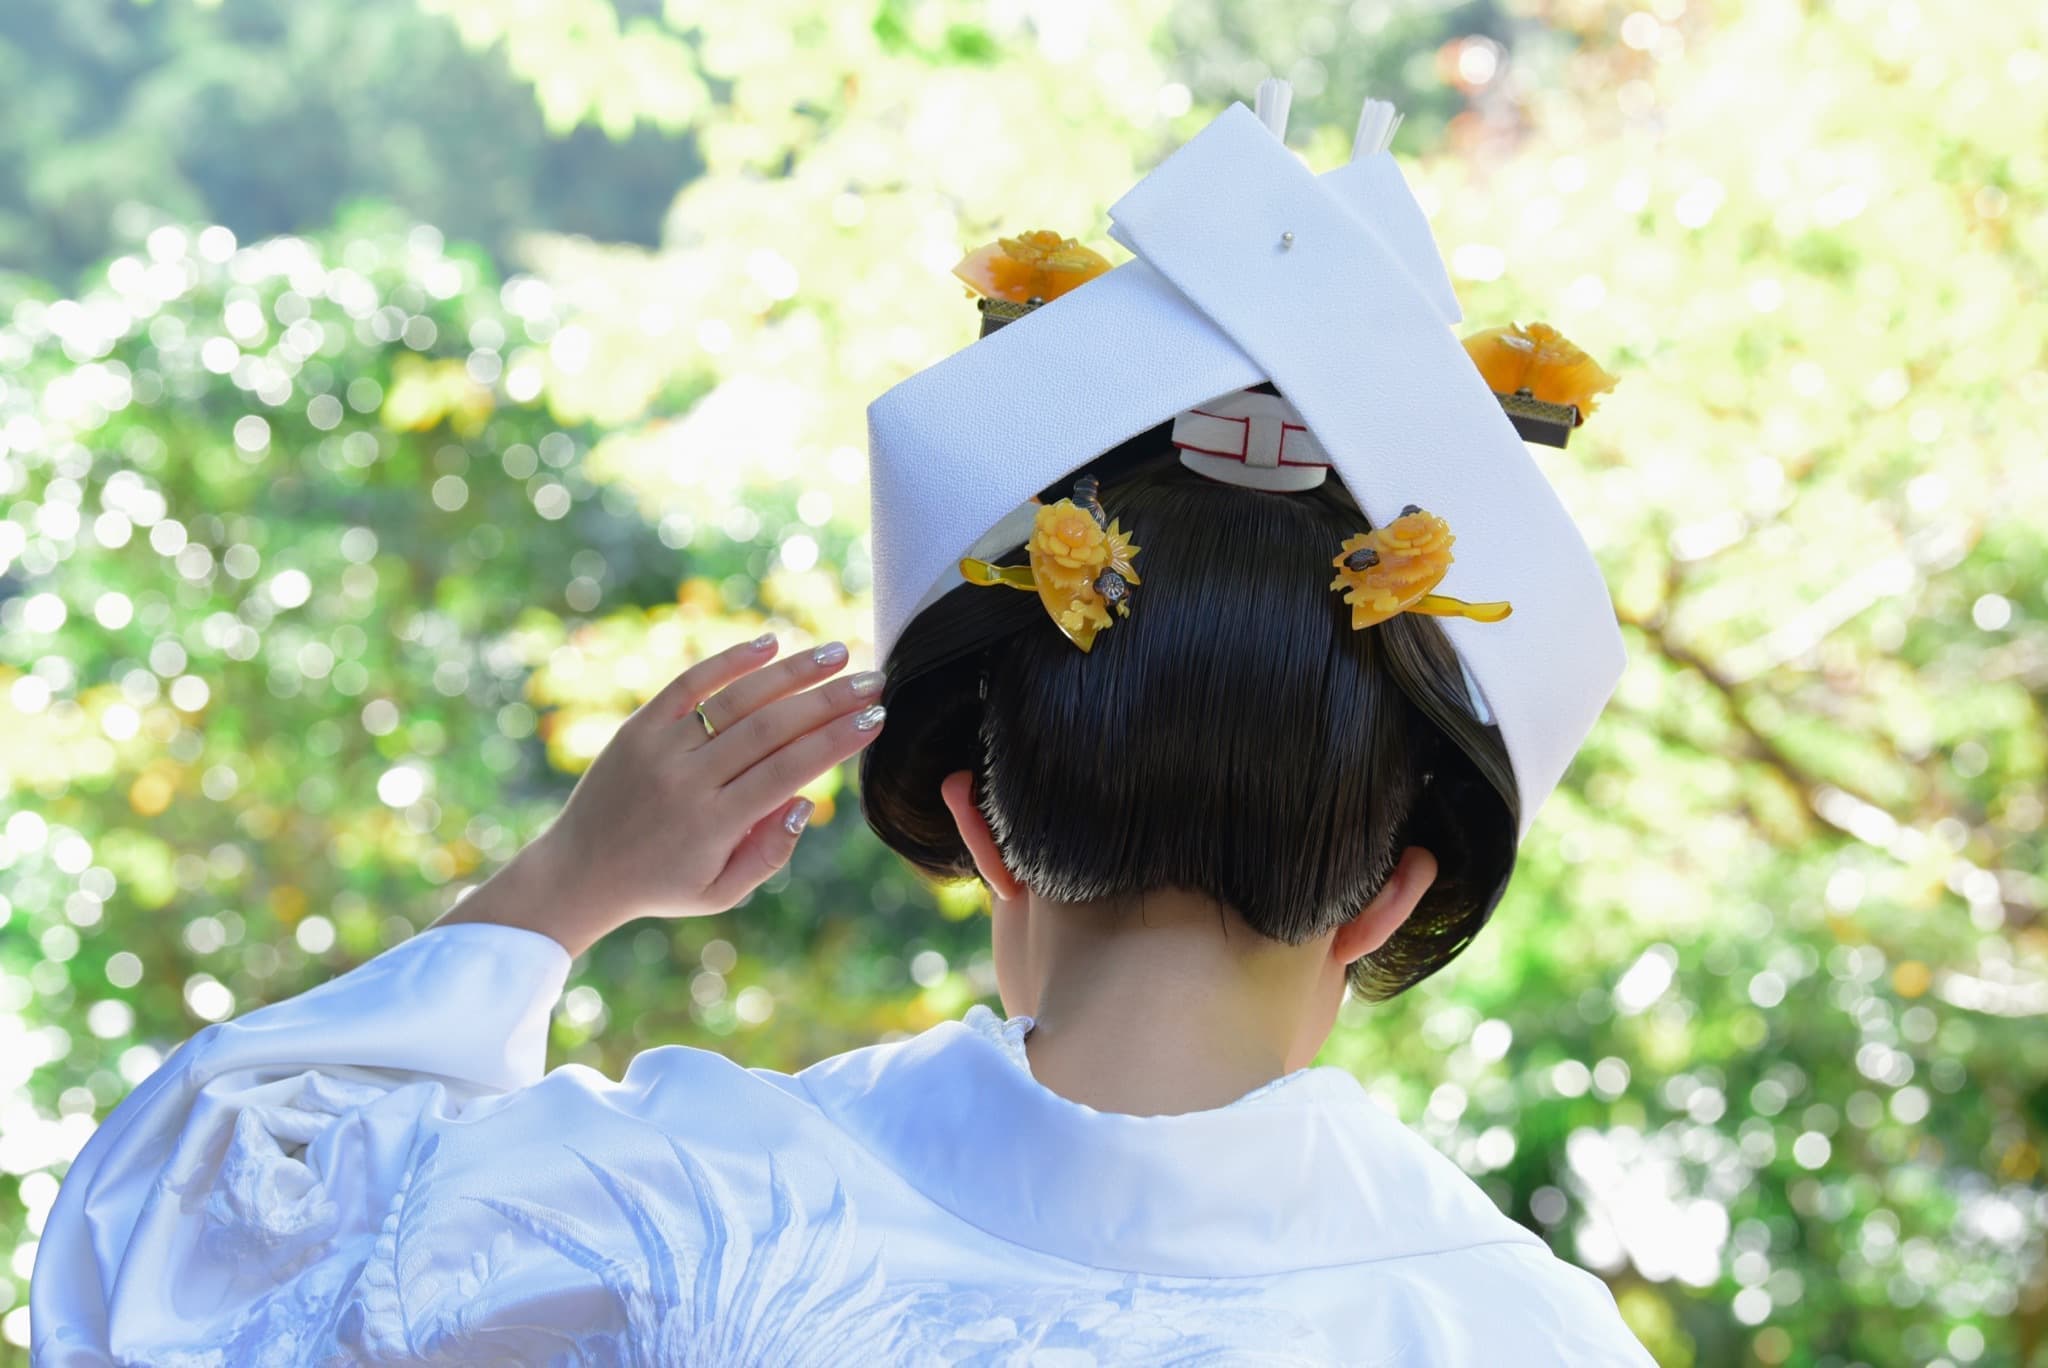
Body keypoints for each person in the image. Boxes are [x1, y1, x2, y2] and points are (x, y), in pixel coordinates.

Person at [30, 84, 1656, 1364]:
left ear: (976, 824)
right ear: (1391, 893)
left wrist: (565, 884)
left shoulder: (678, 1202)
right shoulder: (1508, 1332)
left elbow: (178, 1263)